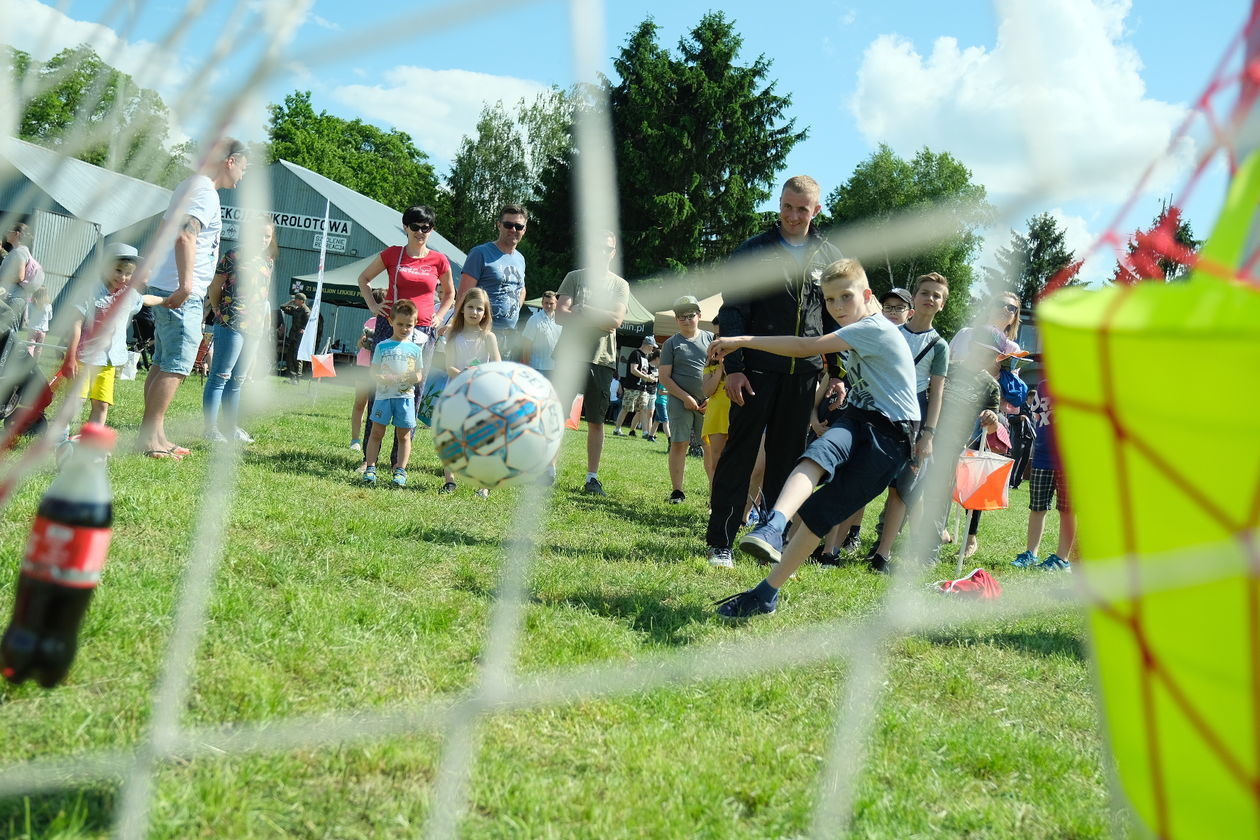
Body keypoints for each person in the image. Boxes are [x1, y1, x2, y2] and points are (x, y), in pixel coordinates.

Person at [711, 259, 919, 617]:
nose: (837, 307)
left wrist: (741, 340)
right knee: (816, 455)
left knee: (819, 515)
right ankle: (774, 526)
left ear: (867, 296)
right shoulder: (861, 327)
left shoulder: (873, 328)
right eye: (829, 299)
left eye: (845, 297)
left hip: (892, 437)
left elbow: (805, 346)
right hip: (860, 416)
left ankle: (766, 593)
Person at [705, 175, 844, 568]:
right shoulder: (753, 251)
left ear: (816, 210)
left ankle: (770, 539)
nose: (794, 215)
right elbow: (732, 311)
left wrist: (837, 374)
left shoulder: (830, 257)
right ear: (778, 203)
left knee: (787, 462)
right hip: (755, 373)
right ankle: (721, 542)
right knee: (739, 457)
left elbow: (837, 319)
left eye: (803, 208)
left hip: (805, 377)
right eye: (787, 206)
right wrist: (734, 368)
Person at [138, 137, 248, 458]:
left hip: (167, 284)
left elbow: (163, 230)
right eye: (243, 166)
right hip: (179, 289)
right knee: (177, 364)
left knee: (162, 362)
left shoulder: (189, 186)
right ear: (230, 160)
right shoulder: (204, 192)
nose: (243, 175)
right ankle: (150, 439)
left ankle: (155, 435)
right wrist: (186, 286)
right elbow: (186, 233)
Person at [355, 205, 455, 461]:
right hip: (390, 326)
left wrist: (439, 316)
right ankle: (370, 459)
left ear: (431, 230)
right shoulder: (392, 254)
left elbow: (451, 293)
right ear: (406, 227)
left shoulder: (439, 259)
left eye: (426, 227)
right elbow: (363, 279)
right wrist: (375, 306)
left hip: (422, 330)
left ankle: (399, 460)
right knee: (381, 386)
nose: (421, 232)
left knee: (414, 389)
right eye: (415, 227)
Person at [865, 274, 950, 567]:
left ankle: (884, 553)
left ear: (942, 305)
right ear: (914, 298)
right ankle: (836, 543)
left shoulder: (940, 346)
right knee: (869, 480)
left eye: (937, 296)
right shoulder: (892, 334)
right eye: (925, 292)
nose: (930, 298)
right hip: (882, 411)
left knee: (905, 487)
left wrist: (928, 434)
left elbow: (937, 393)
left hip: (917, 416)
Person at [555, 230, 629, 496]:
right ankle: (547, 471)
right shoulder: (574, 277)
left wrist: (584, 310)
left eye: (606, 248)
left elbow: (616, 321)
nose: (601, 252)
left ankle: (592, 478)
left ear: (613, 252)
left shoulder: (619, 285)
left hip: (602, 357)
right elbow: (561, 316)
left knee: (597, 420)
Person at [64, 243, 166, 432]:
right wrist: (70, 358)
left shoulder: (129, 294)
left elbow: (144, 300)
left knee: (102, 404)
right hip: (85, 358)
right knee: (76, 401)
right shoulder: (91, 291)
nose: (123, 277)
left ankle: (91, 440)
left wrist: (167, 300)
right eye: (118, 271)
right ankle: (60, 436)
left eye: (128, 273)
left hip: (108, 362)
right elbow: (76, 324)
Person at [203, 222, 275, 443]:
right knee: (220, 376)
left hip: (253, 328)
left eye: (267, 236)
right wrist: (216, 309)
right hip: (230, 323)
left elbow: (264, 296)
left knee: (238, 379)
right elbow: (215, 285)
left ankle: (230, 427)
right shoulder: (233, 255)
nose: (263, 239)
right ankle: (211, 429)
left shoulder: (268, 261)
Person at [442, 287, 501, 497]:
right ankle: (449, 481)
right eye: (470, 307)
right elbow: (449, 366)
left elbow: (497, 365)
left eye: (479, 309)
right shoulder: (453, 336)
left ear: (485, 313)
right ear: (462, 309)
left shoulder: (489, 337)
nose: (474, 312)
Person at [1014, 378, 1076, 571]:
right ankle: (1030, 553)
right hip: (1042, 456)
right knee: (1037, 507)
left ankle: (1062, 558)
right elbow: (1038, 417)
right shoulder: (1042, 386)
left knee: (1067, 510)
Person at [362, 299, 424, 488]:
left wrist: (410, 378)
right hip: (384, 397)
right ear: (390, 322)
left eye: (409, 325)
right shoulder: (382, 346)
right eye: (400, 324)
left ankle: (400, 469)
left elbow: (419, 375)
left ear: (414, 325)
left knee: (404, 435)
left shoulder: (415, 349)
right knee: (377, 432)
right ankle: (371, 467)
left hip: (405, 398)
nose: (404, 329)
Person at [659, 295, 714, 504]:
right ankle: (677, 491)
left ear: (699, 316)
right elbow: (664, 376)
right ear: (676, 320)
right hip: (679, 400)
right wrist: (685, 397)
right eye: (681, 317)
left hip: (708, 402)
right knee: (679, 443)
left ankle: (714, 493)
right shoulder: (671, 344)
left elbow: (721, 371)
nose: (686, 320)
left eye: (690, 315)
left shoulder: (710, 339)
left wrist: (710, 398)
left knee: (710, 446)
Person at [458, 204, 527, 357]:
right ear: (498, 225)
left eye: (518, 226)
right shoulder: (480, 253)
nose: (513, 229)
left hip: (508, 336)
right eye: (508, 225)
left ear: (524, 229)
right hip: (481, 333)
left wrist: (512, 311)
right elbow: (464, 294)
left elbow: (521, 289)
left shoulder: (520, 259)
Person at [350, 289, 387, 452]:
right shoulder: (370, 321)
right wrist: (364, 341)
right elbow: (359, 344)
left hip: (379, 369)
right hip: (364, 365)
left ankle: (373, 440)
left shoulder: (391, 322)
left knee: (377, 407)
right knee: (360, 402)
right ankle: (355, 439)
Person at [0, 219, 44, 331]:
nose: (6, 233)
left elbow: (20, 276)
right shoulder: (20, 251)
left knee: (8, 332)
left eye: (9, 231)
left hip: (13, 298)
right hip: (15, 297)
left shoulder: (19, 252)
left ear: (17, 234)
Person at [613, 336, 657, 436]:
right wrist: (647, 377)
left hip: (642, 388)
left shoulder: (645, 356)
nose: (652, 349)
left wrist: (651, 377)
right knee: (626, 408)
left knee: (643, 409)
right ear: (648, 345)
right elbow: (633, 370)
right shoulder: (636, 354)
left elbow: (646, 371)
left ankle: (646, 432)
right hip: (632, 386)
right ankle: (617, 429)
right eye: (652, 347)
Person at [520, 290, 562, 378]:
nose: (548, 306)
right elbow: (526, 345)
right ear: (542, 303)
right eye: (546, 303)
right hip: (537, 367)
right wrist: (527, 368)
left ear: (556, 304)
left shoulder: (561, 320)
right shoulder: (534, 320)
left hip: (556, 368)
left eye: (551, 303)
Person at [280, 293, 311, 381]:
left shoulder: (306, 311)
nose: (295, 301)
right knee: (290, 356)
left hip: (300, 337)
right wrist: (290, 302)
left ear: (302, 301)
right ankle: (292, 376)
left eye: (296, 299)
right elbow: (282, 307)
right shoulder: (296, 309)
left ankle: (298, 377)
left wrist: (304, 329)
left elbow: (309, 324)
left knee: (297, 356)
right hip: (293, 336)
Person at [25, 287, 51, 358]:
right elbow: (50, 317)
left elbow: (29, 316)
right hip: (43, 330)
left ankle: (28, 360)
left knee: (30, 346)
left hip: (32, 329)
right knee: (39, 348)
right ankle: (34, 363)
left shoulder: (31, 305)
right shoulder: (48, 306)